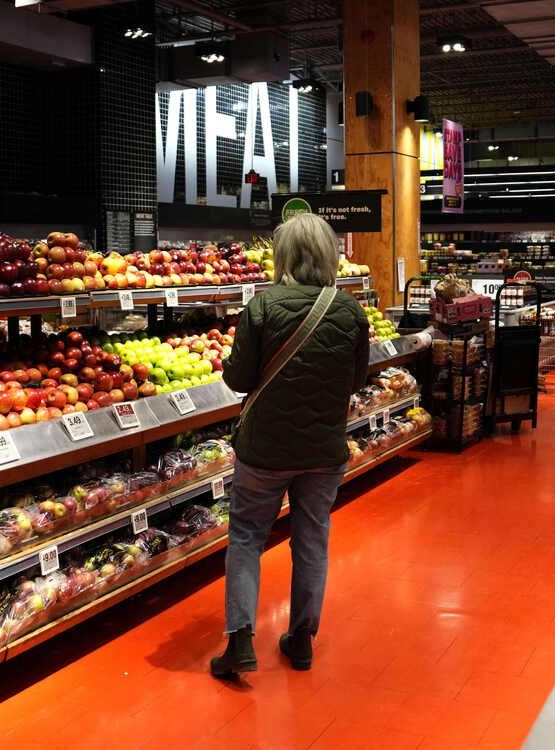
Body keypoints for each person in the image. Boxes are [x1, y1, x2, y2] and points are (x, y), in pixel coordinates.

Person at [210, 212, 370, 678]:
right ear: (329, 255)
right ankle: (301, 639)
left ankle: (240, 640)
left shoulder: (261, 307)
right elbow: (357, 379)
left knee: (245, 537)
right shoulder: (350, 310)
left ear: (282, 255)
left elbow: (238, 379)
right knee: (312, 537)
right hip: (323, 449)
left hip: (265, 450)